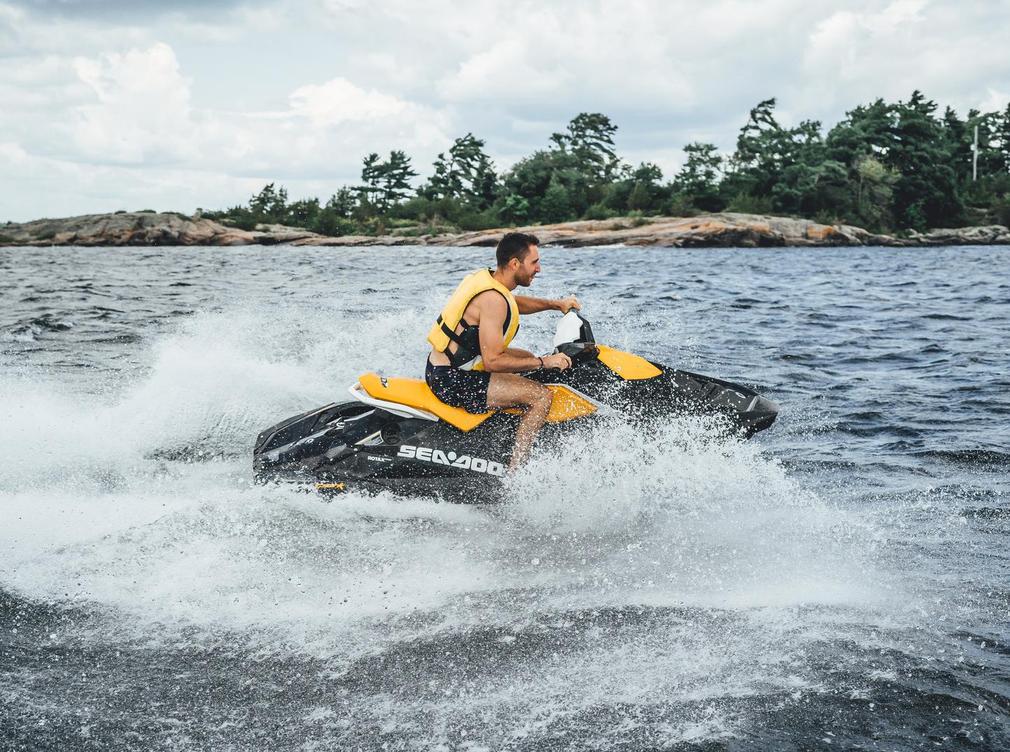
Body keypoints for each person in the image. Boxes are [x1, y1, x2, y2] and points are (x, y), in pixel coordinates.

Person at [426, 232, 580, 470]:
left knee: (526, 359)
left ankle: (500, 431)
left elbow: (512, 302)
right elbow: (493, 362)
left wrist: (555, 304)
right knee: (541, 396)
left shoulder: (490, 280)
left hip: (442, 366)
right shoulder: (493, 299)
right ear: (515, 264)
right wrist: (545, 362)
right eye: (534, 262)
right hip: (451, 380)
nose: (538, 269)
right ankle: (516, 471)